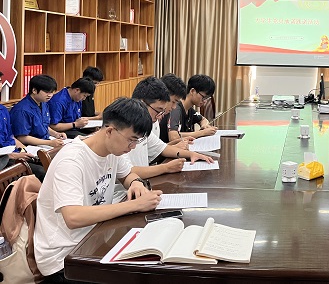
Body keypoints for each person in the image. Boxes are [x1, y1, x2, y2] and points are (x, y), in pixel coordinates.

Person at [34, 97, 163, 282]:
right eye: (131, 140)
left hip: (95, 236)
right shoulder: (71, 160)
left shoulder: (112, 150)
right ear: (110, 131)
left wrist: (136, 183)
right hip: (64, 258)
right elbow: (73, 217)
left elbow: (128, 174)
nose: (133, 147)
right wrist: (135, 205)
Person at [112, 77, 213, 202]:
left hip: (141, 188)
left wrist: (192, 154)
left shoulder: (144, 126)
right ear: (142, 103)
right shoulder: (122, 130)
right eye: (159, 110)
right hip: (125, 194)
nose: (161, 116)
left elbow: (163, 148)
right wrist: (166, 167)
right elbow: (129, 171)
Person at [10, 74, 67, 148]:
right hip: (31, 146)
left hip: (45, 141)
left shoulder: (43, 103)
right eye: (47, 92)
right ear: (34, 90)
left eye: (52, 92)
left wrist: (56, 134)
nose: (50, 95)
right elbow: (22, 137)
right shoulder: (22, 110)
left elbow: (43, 126)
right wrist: (49, 143)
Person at [163, 74, 218, 142]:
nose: (205, 101)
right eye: (203, 97)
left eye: (207, 98)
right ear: (192, 91)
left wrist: (205, 125)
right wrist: (202, 133)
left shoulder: (189, 109)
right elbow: (174, 137)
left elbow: (203, 119)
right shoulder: (176, 108)